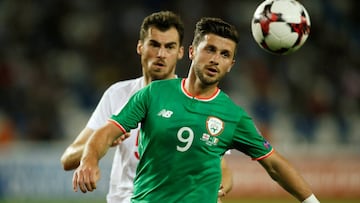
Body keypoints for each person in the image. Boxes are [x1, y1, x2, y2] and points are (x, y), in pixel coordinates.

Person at [72, 17, 320, 203]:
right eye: (210, 50)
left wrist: (312, 201)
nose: (215, 59)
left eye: (224, 55)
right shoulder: (154, 94)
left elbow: (274, 164)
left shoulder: (233, 116)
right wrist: (89, 160)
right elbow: (107, 132)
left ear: (231, 65)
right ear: (191, 52)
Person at [60, 11, 232, 203]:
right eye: (154, 44)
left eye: (169, 47)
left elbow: (222, 169)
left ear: (181, 52)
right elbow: (68, 159)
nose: (161, 54)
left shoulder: (196, 101)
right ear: (140, 47)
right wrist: (97, 149)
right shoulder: (118, 94)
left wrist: (214, 189)